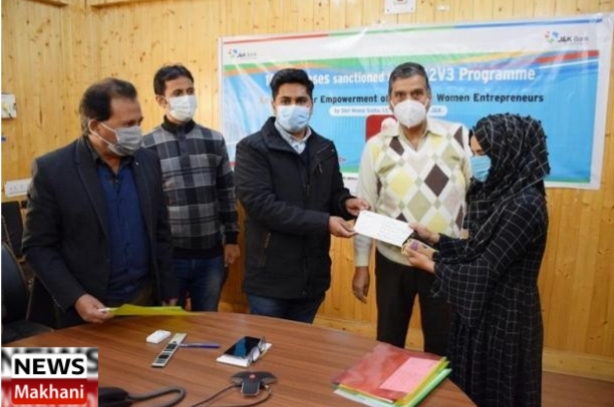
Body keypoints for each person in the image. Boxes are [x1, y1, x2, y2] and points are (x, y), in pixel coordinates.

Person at [404, 113, 549, 407]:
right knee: (472, 389)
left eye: (484, 153)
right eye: (474, 153)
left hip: (507, 316)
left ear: (508, 153)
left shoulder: (525, 205)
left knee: (498, 392)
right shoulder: (500, 195)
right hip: (483, 311)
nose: (477, 161)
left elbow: (484, 269)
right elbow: (477, 248)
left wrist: (430, 264)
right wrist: (435, 239)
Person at [22, 78, 178, 329]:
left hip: (144, 301)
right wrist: (76, 297)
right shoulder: (53, 170)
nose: (136, 131)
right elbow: (37, 247)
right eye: (127, 125)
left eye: (139, 122)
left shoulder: (148, 161)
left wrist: (168, 286)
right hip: (86, 309)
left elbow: (160, 230)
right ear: (95, 126)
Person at [353, 62, 472, 354]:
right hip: (392, 259)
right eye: (400, 95)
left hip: (445, 260)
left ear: (429, 96)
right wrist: (361, 266)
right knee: (388, 342)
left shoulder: (458, 136)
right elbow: (365, 210)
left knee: (444, 346)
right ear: (390, 101)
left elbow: (477, 198)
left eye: (416, 93)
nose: (409, 101)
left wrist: (472, 256)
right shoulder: (376, 146)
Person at [234, 68, 369, 323]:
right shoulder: (252, 148)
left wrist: (346, 203)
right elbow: (263, 207)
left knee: (302, 344)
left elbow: (333, 193)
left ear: (311, 105)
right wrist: (324, 222)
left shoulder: (325, 148)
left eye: (300, 100)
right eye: (286, 101)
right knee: (267, 345)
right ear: (273, 104)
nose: (293, 107)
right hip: (269, 280)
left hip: (312, 277)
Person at [143, 65, 240, 311]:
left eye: (190, 91)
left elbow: (226, 192)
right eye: (178, 93)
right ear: (161, 100)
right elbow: (145, 205)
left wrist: (231, 239)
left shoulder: (214, 139)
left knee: (207, 321)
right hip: (170, 258)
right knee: (169, 322)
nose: (186, 98)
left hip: (211, 255)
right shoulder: (146, 145)